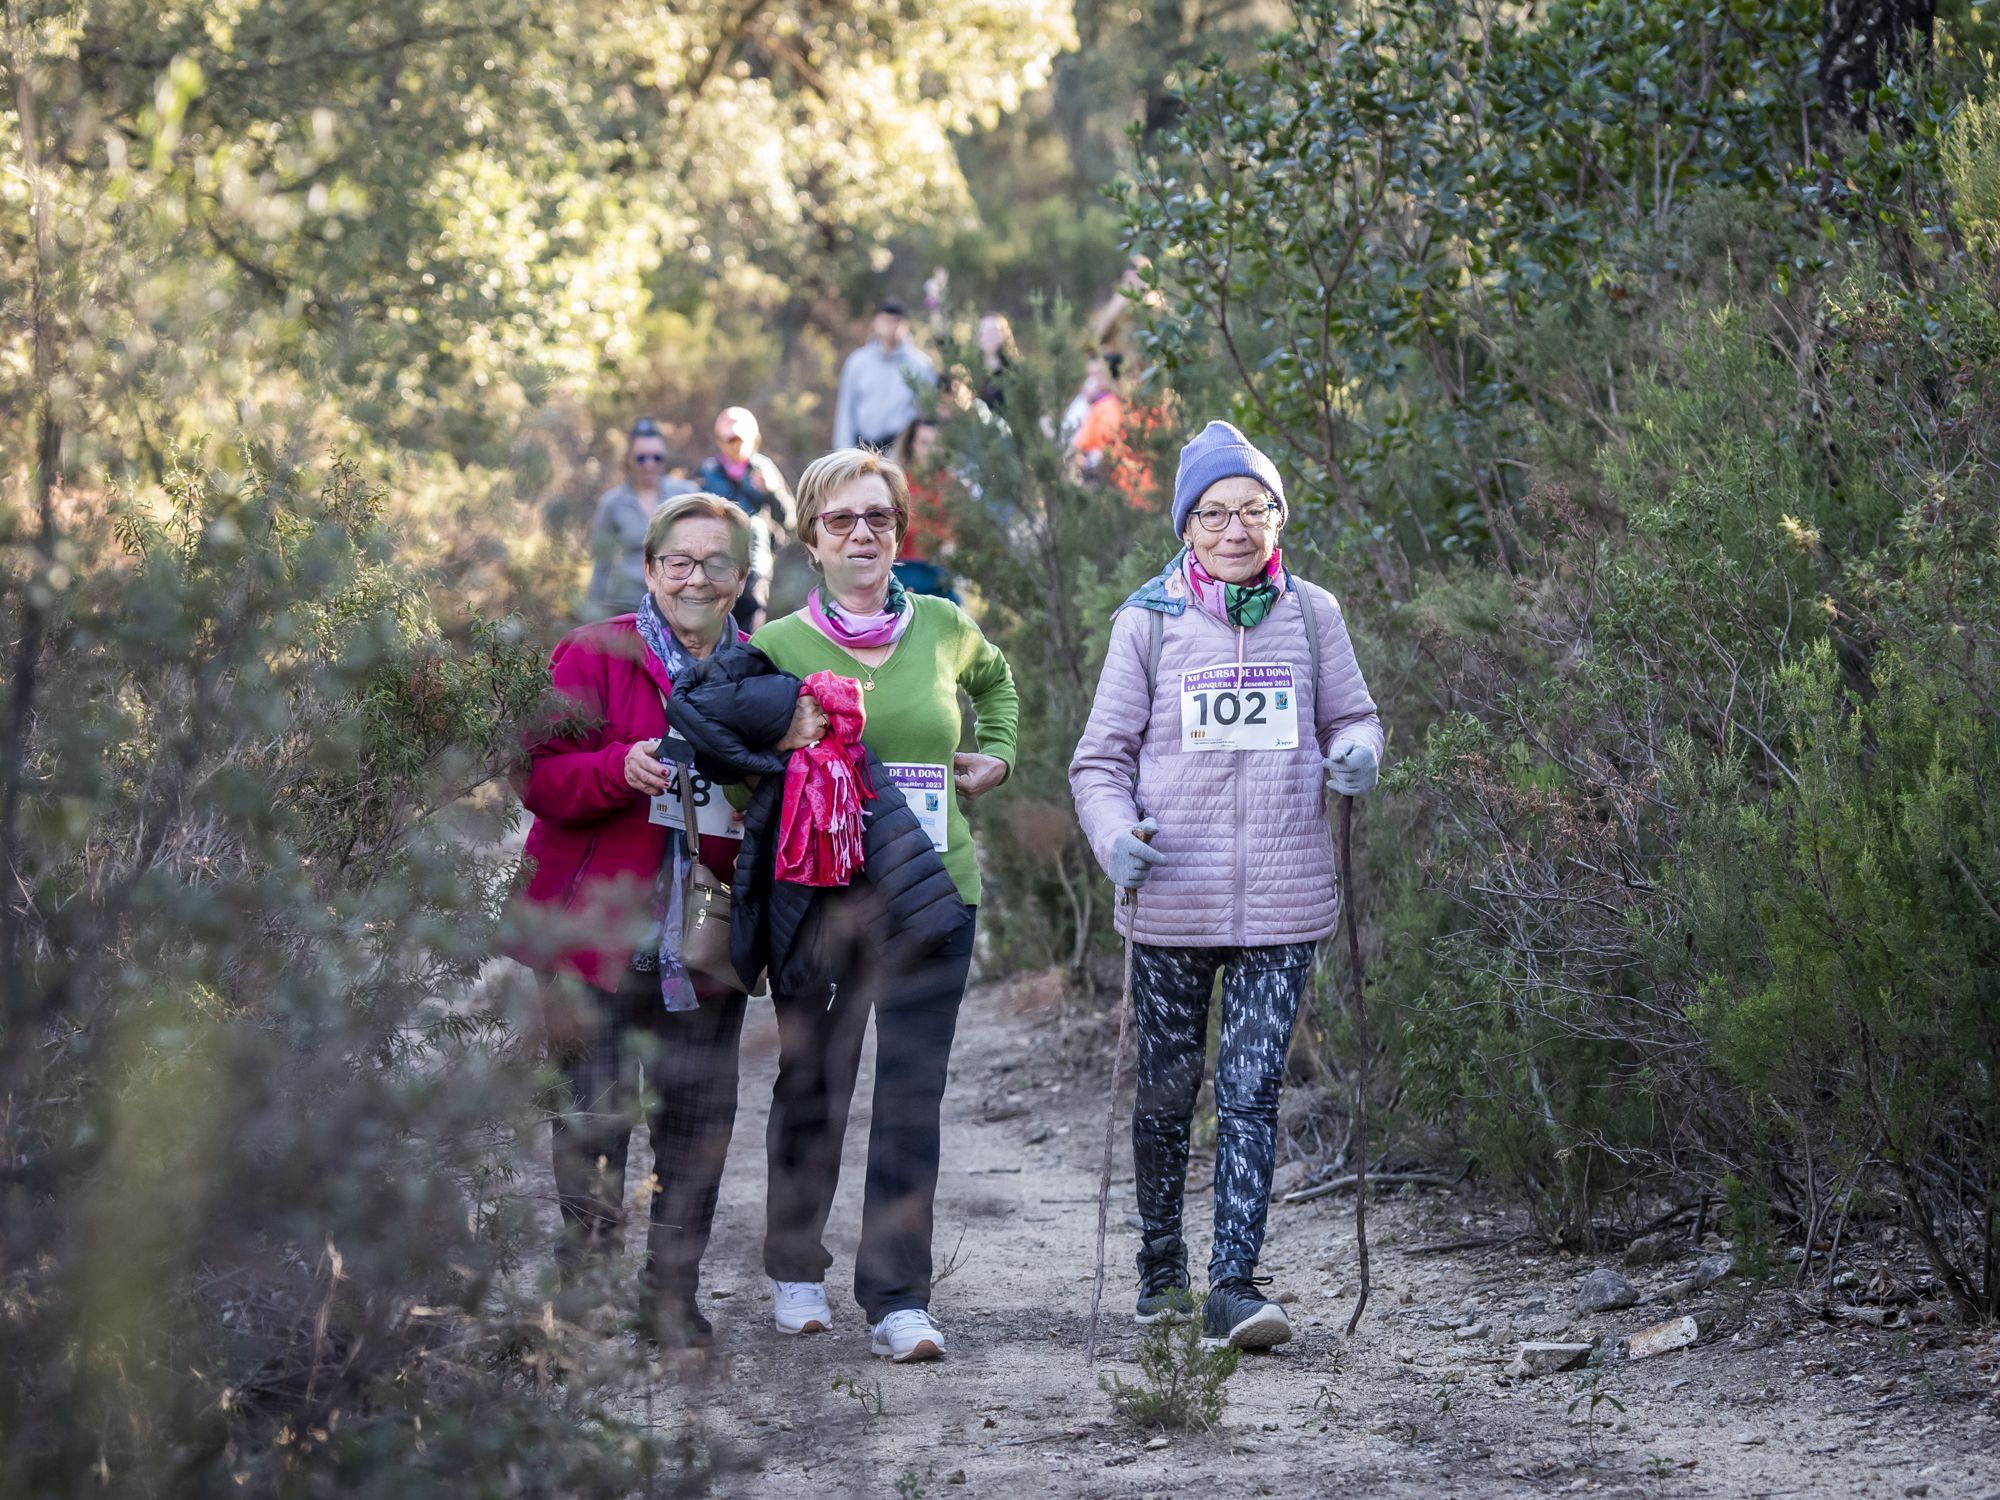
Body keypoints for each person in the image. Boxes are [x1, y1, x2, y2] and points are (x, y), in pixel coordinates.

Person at [1068, 420, 1384, 1352]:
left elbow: (1356, 719)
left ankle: (1234, 1290)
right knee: (1168, 1092)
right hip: (1172, 901)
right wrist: (1115, 837)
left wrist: (1358, 756)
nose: (1237, 529)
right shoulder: (1150, 621)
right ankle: (1161, 1272)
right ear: (1186, 525)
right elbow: (1099, 762)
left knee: (1250, 1090)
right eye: (1215, 513)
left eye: (1255, 508)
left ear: (1279, 515)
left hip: (1285, 905)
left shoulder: (1315, 615)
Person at [508, 492, 827, 1347]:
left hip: (707, 942)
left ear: (739, 579)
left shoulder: (762, 673)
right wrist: (619, 767)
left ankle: (670, 1299)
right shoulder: (591, 653)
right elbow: (536, 777)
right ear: (650, 571)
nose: (695, 577)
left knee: (694, 1128)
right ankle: (582, 1304)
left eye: (715, 563)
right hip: (591, 937)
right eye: (677, 562)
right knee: (591, 1122)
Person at [750, 447, 1017, 1362]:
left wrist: (1000, 752)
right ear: (811, 541)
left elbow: (997, 683)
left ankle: (900, 1299)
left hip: (935, 897)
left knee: (911, 1099)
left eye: (879, 518)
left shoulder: (943, 624)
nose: (863, 534)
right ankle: (794, 1272)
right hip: (823, 907)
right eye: (841, 520)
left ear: (900, 532)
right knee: (814, 1084)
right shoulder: (777, 647)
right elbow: (729, 746)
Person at [583, 417, 698, 622]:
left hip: (677, 606)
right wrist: (592, 615)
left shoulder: (686, 495)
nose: (649, 464)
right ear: (629, 458)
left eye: (656, 458)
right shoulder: (612, 503)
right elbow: (601, 563)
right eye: (641, 458)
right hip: (626, 607)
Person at [698, 406, 796, 633]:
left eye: (741, 439)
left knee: (749, 635)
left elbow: (789, 519)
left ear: (754, 439)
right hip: (714, 568)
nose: (736, 445)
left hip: (755, 566)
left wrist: (772, 491)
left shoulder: (765, 468)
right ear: (720, 440)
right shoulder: (707, 473)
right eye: (730, 439)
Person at [832, 300, 938, 451]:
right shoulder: (858, 362)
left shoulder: (921, 365)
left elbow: (926, 413)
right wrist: (843, 451)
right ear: (876, 322)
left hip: (899, 451)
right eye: (886, 321)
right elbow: (846, 409)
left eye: (896, 322)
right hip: (861, 448)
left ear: (905, 325)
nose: (891, 327)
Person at [891, 419, 958, 601]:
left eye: (937, 444)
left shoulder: (951, 486)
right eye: (924, 443)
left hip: (938, 572)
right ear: (912, 445)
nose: (931, 451)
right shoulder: (896, 484)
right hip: (902, 570)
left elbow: (957, 534)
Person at [975, 311, 1016, 411]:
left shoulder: (1014, 371)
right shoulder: (971, 373)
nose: (989, 335)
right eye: (984, 331)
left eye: (994, 330)